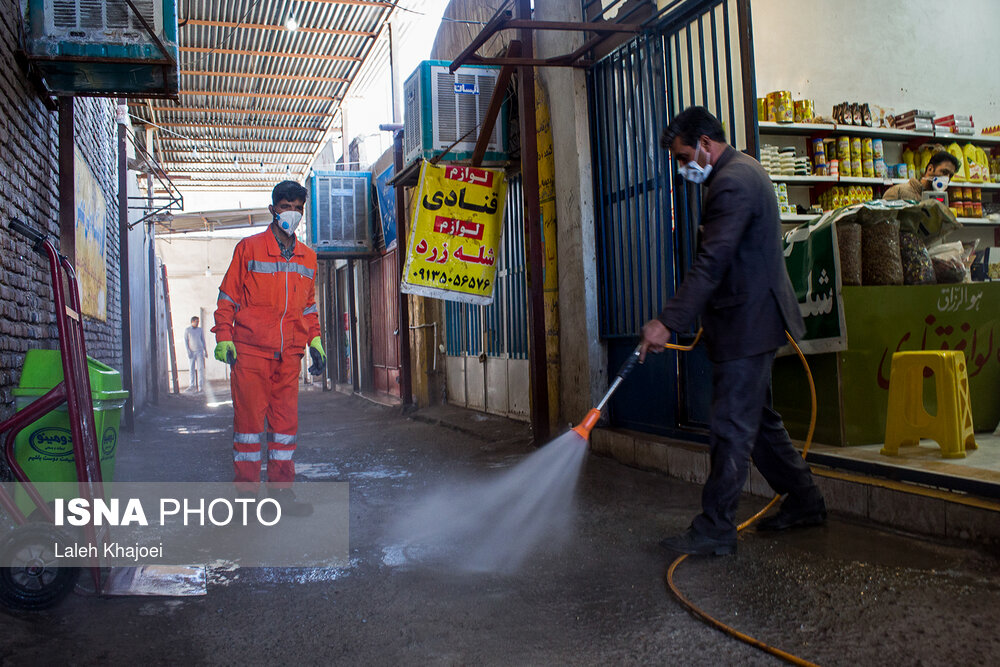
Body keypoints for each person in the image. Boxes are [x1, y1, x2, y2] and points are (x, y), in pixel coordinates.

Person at [641, 106, 826, 556]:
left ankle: (715, 529)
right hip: (748, 322)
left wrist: (668, 321)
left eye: (685, 156)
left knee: (729, 428)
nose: (684, 167)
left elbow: (713, 261)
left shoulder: (733, 182)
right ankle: (805, 502)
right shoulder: (740, 172)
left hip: (749, 323)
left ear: (705, 143)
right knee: (759, 426)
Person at [212, 180, 327, 516]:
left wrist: (315, 341)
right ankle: (246, 497)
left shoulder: (309, 257)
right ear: (273, 209)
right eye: (286, 206)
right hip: (250, 354)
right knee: (248, 429)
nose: (292, 213)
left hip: (289, 356)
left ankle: (281, 495)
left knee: (284, 427)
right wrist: (223, 338)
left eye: (298, 208)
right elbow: (228, 298)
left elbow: (308, 307)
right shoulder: (249, 249)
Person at [883, 150, 960, 201]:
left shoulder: (941, 200)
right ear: (930, 168)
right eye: (944, 172)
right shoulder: (898, 191)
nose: (947, 178)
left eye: (950, 176)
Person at [184, 316, 207, 392]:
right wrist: (188, 351)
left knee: (200, 369)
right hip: (192, 352)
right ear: (192, 321)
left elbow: (203, 340)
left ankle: (200, 387)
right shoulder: (187, 330)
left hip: (200, 351)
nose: (198, 323)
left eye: (198, 322)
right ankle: (192, 386)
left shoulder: (200, 330)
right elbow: (186, 342)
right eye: (196, 321)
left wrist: (205, 350)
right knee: (191, 369)